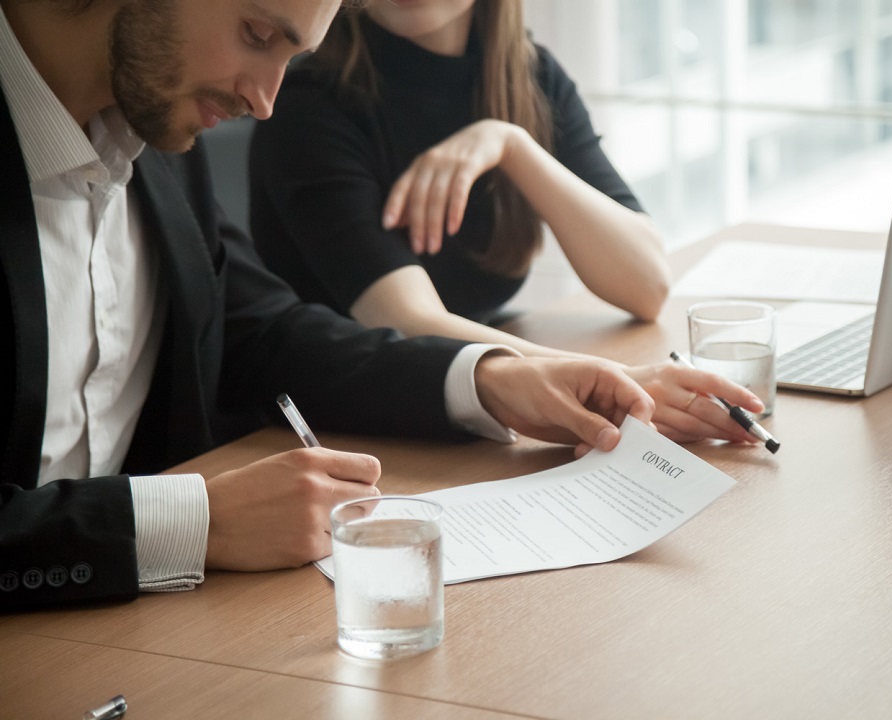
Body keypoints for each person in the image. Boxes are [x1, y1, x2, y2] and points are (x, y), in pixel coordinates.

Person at [0, 0, 760, 613]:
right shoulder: (215, 108)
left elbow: (264, 331)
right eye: (257, 34)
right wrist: (195, 522)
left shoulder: (150, 141)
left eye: (286, 57)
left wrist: (490, 380)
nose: (264, 102)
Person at [248, 0, 766, 443]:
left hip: (473, 416)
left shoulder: (530, 75)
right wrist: (610, 380)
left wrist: (512, 145)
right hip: (344, 427)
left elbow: (645, 284)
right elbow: (405, 319)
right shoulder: (309, 102)